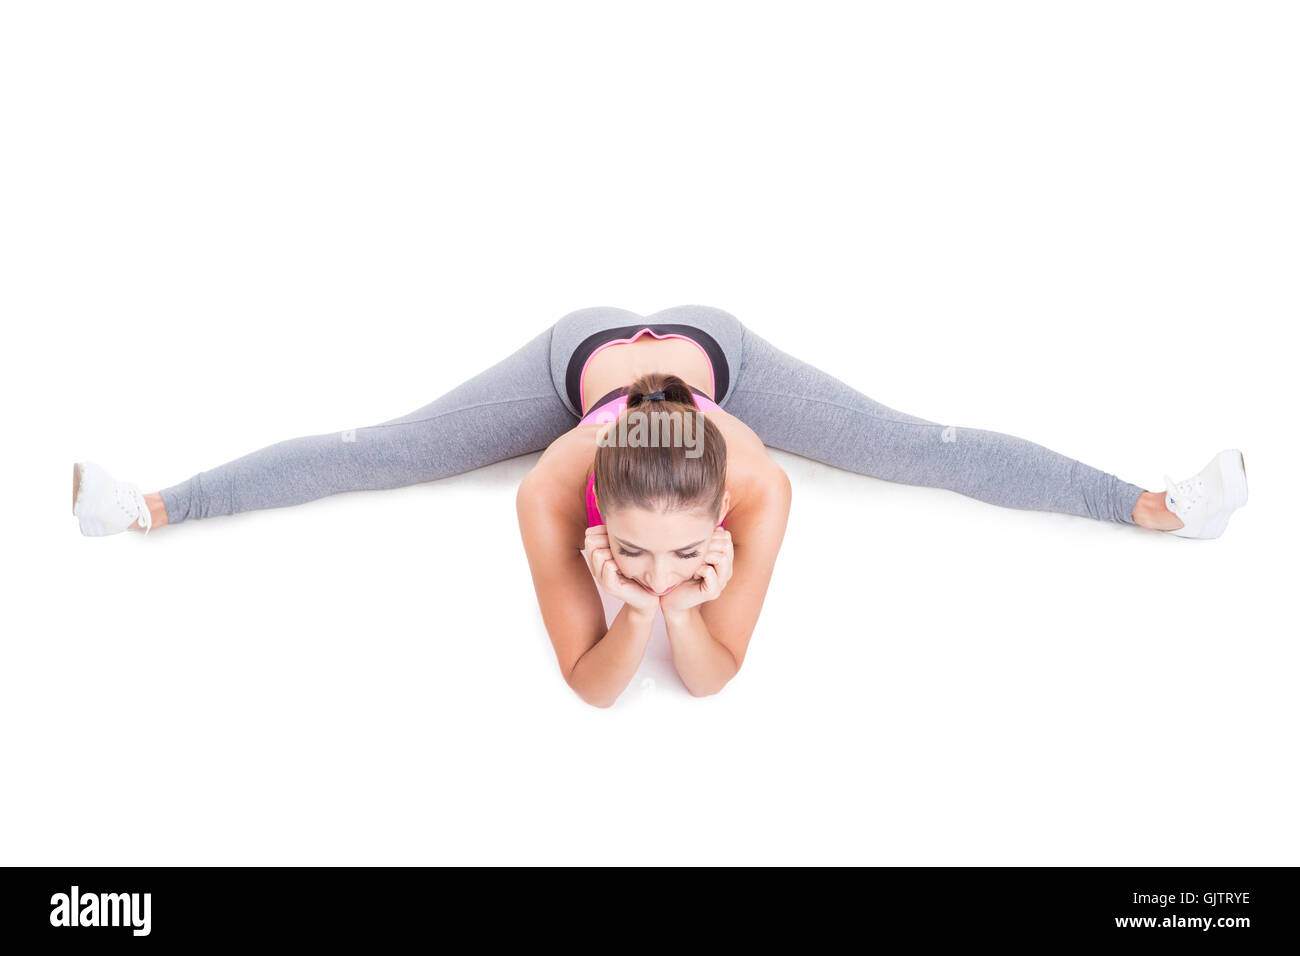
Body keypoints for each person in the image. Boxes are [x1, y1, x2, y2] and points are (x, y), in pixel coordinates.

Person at [71, 304, 1249, 706]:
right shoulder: (543, 485)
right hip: (569, 358)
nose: (658, 560)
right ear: (593, 512)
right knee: (380, 448)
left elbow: (712, 669)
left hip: (712, 347)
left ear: (722, 516)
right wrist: (632, 606)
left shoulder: (759, 479)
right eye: (631, 549)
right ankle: (154, 508)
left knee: (910, 441)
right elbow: (596, 684)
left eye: (685, 546)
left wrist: (678, 602)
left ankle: (1151, 506)